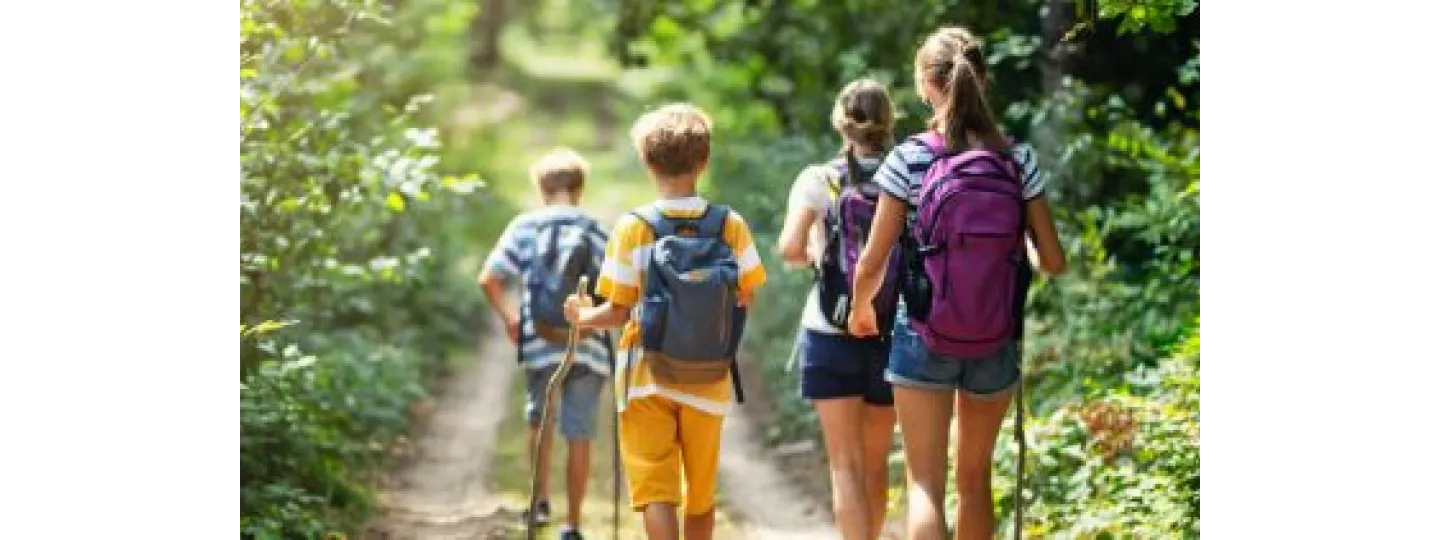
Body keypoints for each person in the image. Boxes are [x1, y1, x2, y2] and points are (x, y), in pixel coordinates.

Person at [845, 26, 1067, 540]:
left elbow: (873, 259)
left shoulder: (908, 159)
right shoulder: (1017, 160)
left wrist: (860, 308)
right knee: (975, 480)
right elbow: (1053, 261)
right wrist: (1017, 249)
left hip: (923, 329)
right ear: (984, 80)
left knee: (924, 483)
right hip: (994, 335)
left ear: (926, 84)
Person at [564, 103, 766, 540]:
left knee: (657, 489)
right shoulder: (731, 225)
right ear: (704, 160)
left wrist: (582, 318)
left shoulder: (633, 228)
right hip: (709, 377)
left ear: (647, 162)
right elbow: (746, 292)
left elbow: (616, 311)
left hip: (645, 377)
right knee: (701, 494)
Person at [775, 78, 899, 540]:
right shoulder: (909, 173)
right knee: (876, 463)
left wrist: (813, 246)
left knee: (844, 465)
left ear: (839, 122)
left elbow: (789, 249)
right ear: (889, 121)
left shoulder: (819, 178)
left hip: (829, 327)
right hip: (890, 331)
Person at [477, 147, 612, 540]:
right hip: (586, 341)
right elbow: (620, 287)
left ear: (541, 188)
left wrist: (511, 318)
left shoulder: (524, 227)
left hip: (540, 340)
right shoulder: (596, 228)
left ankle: (538, 502)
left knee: (540, 417)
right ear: (579, 188)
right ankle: (573, 524)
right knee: (580, 430)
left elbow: (489, 278)